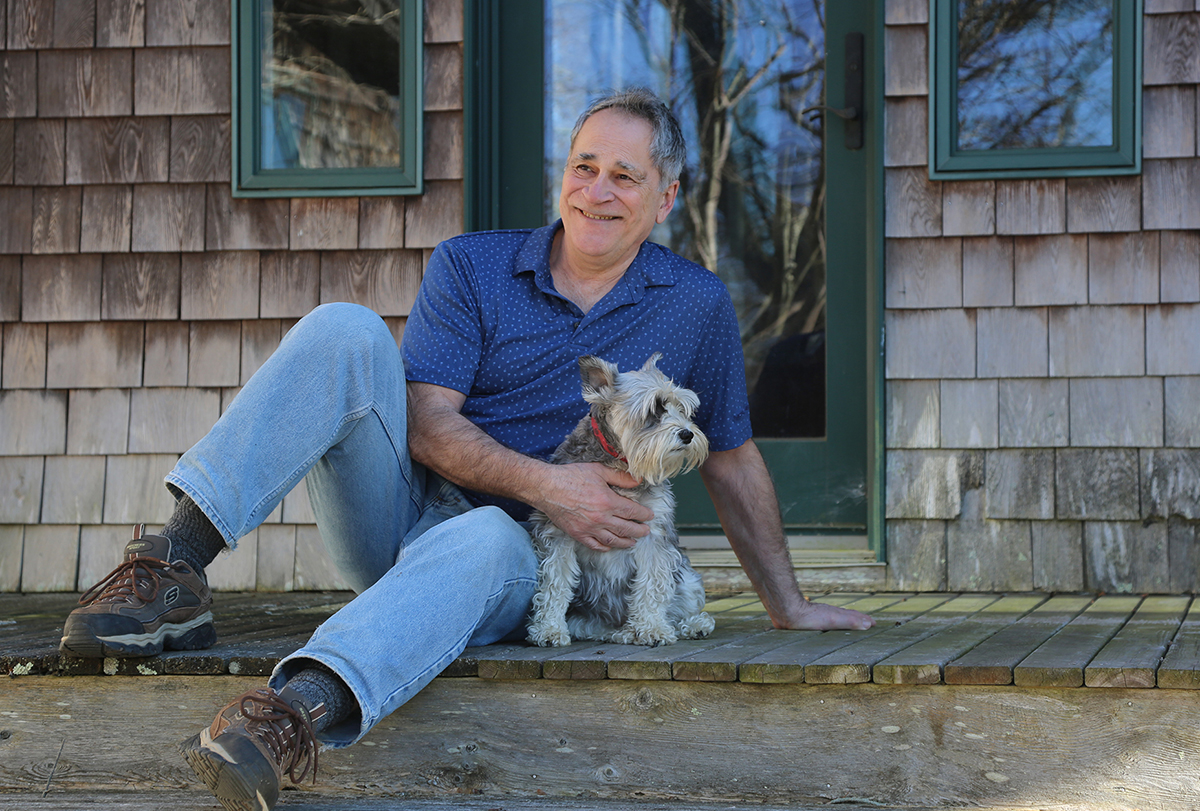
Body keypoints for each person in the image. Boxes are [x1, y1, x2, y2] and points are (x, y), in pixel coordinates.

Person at [58, 88, 875, 811]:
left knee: (488, 535)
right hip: (399, 515)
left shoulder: (695, 302)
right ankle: (174, 566)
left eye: (624, 176)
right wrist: (550, 485)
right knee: (346, 329)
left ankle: (288, 715)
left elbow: (730, 455)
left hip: (514, 564)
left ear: (666, 197)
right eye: (584, 166)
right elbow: (426, 423)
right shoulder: (474, 265)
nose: (596, 191)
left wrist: (787, 603)